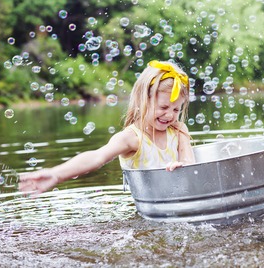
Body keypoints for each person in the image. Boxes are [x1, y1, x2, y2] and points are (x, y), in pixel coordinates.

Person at [19, 60, 195, 195]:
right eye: (163, 107)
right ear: (143, 100)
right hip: (152, 206)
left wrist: (182, 166)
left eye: (176, 109)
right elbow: (97, 157)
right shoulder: (132, 138)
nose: (170, 115)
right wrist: (56, 174)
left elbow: (190, 163)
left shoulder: (179, 130)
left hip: (183, 198)